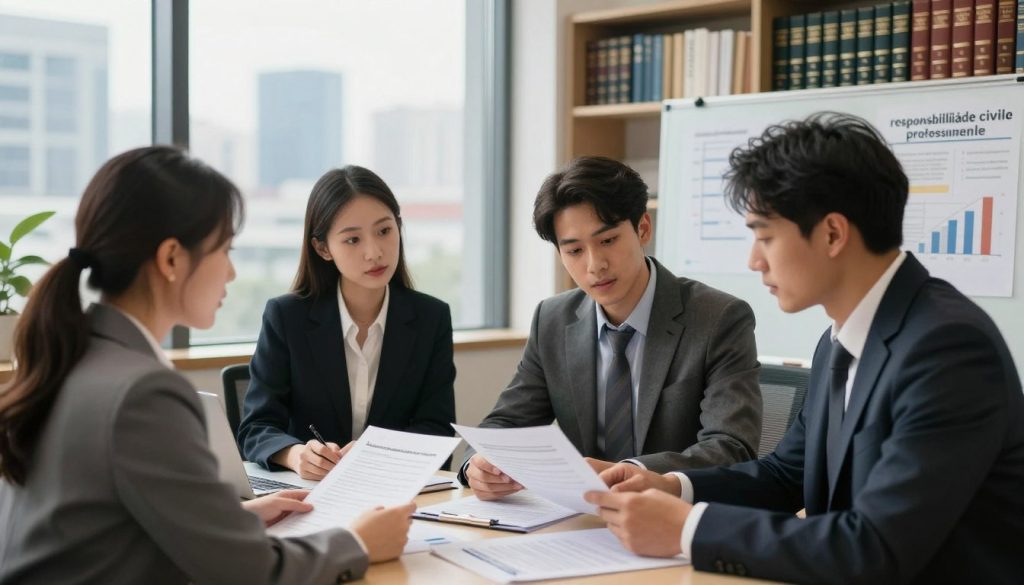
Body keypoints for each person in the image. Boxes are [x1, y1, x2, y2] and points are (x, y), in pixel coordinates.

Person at [585, 113, 1024, 584]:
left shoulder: (947, 349)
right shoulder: (840, 338)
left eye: (765, 236)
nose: (754, 260)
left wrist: (689, 529)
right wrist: (672, 486)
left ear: (833, 233)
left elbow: (875, 547)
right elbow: (785, 473)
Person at [0, 147, 414, 584]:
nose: (232, 273)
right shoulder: (142, 392)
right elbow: (249, 574)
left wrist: (235, 522)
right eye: (224, 249)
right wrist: (359, 543)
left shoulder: (77, 357)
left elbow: (108, 531)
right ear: (172, 259)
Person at [461, 156, 762, 500]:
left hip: (673, 518)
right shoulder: (553, 319)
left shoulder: (718, 318)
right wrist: (477, 465)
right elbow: (504, 427)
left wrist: (632, 473)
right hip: (581, 519)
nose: (595, 265)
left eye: (608, 241)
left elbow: (731, 447)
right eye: (574, 250)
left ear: (643, 229)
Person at [238, 166, 456, 479]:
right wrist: (297, 454)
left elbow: (436, 430)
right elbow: (256, 428)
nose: (374, 252)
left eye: (384, 231)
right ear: (323, 248)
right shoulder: (287, 317)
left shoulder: (431, 318)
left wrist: (377, 454)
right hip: (308, 494)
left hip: (392, 492)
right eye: (352, 239)